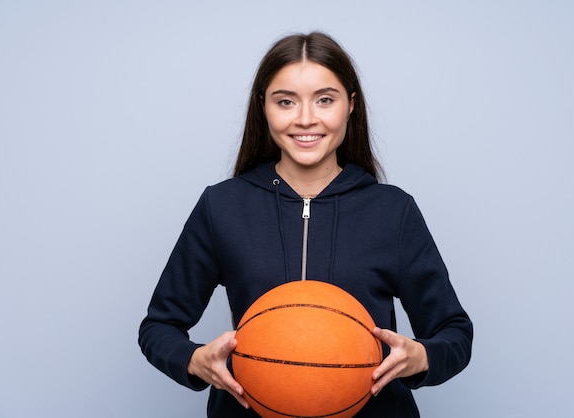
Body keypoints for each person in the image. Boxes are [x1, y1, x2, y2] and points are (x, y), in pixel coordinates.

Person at [138, 31, 473, 417]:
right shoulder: (222, 206)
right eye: (285, 102)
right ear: (263, 106)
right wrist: (194, 360)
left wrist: (421, 356)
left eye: (325, 100)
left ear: (351, 104)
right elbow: (159, 327)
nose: (306, 119)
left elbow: (455, 333)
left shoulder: (394, 211)